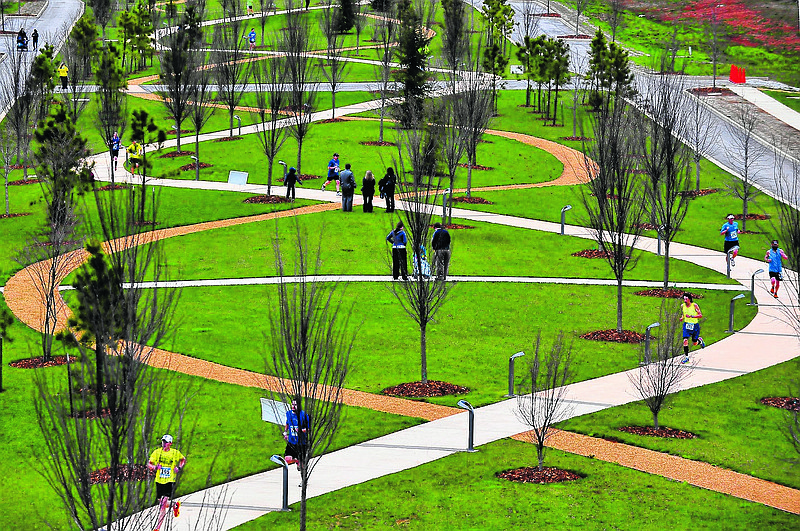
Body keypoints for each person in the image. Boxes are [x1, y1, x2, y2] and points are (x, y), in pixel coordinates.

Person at [148, 434, 186, 531]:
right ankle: (174, 505)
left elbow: (183, 459)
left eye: (166, 442)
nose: (164, 443)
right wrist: (155, 467)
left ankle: (157, 528)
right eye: (163, 441)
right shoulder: (157, 452)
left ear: (170, 443)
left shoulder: (174, 453)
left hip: (169, 480)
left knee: (162, 505)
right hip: (159, 480)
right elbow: (149, 464)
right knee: (161, 502)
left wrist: (179, 468)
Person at [284, 399, 310, 469]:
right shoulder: (288, 414)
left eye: (295, 405)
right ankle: (297, 460)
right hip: (291, 441)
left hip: (301, 443)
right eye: (292, 404)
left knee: (302, 467)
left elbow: (308, 429)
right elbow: (287, 423)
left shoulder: (304, 415)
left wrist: (301, 431)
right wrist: (285, 433)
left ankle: (300, 463)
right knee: (287, 459)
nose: (293, 406)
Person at [680, 293, 705, 364]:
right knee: (685, 340)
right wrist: (682, 318)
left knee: (694, 343)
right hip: (686, 325)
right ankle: (686, 357)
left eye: (686, 299)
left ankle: (700, 341)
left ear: (689, 299)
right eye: (684, 299)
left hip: (694, 326)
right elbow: (684, 313)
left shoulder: (694, 305)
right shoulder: (682, 306)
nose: (685, 300)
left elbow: (700, 315)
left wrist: (692, 316)